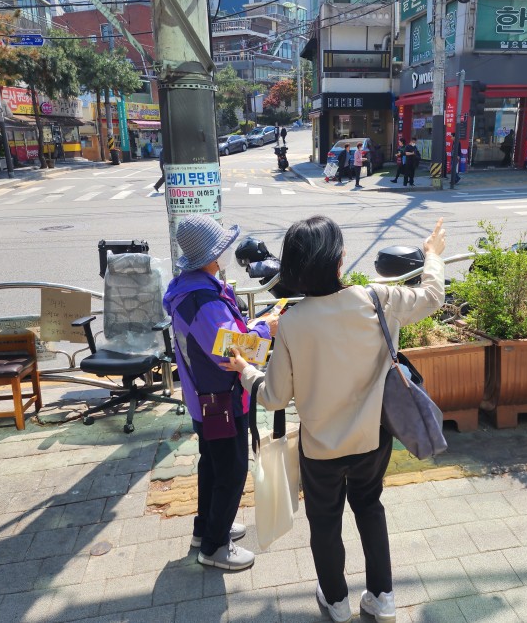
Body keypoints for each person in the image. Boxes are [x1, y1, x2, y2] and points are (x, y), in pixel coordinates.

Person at [222, 216, 447, 623]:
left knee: (325, 524)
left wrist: (245, 370)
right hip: (372, 440)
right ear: (340, 260)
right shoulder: (377, 298)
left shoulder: (291, 323)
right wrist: (432, 255)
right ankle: (382, 598)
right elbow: (432, 295)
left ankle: (336, 602)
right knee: (370, 507)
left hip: (320, 449)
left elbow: (274, 397)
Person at [163, 215, 278, 572]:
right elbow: (232, 353)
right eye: (222, 247)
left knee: (213, 465)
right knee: (230, 470)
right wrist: (266, 327)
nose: (228, 252)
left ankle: (208, 528)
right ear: (211, 255)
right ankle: (214, 547)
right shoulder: (202, 298)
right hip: (221, 399)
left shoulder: (192, 287)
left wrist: (255, 325)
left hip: (205, 399)